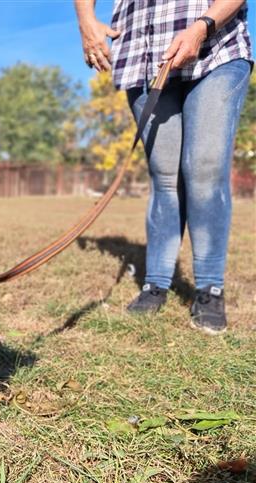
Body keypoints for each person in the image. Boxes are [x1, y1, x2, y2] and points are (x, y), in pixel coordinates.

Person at [74, 0, 252, 334]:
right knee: (164, 177)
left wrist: (202, 27)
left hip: (216, 47)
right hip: (143, 57)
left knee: (204, 171)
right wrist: (86, 20)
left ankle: (209, 288)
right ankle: (155, 284)